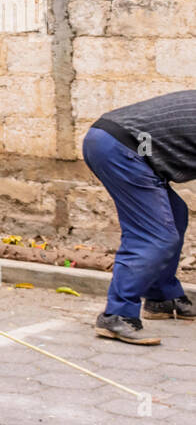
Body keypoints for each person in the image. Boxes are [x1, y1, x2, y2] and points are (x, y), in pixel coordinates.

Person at [83, 90, 196, 344]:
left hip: (119, 143)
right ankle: (117, 316)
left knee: (174, 216)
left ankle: (162, 298)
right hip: (119, 147)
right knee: (155, 235)